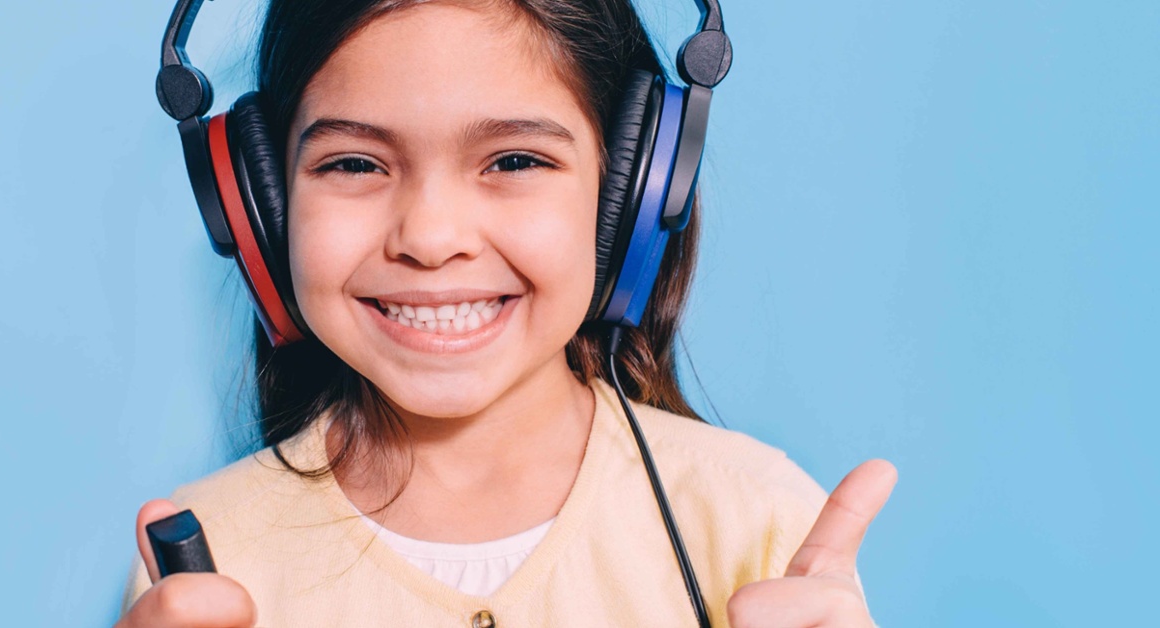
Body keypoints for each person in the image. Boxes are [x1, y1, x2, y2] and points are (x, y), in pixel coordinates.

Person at [119, 0, 896, 626]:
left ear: (630, 198)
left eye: (515, 161)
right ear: (262, 210)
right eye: (354, 163)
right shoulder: (201, 566)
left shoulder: (756, 523)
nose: (429, 238)